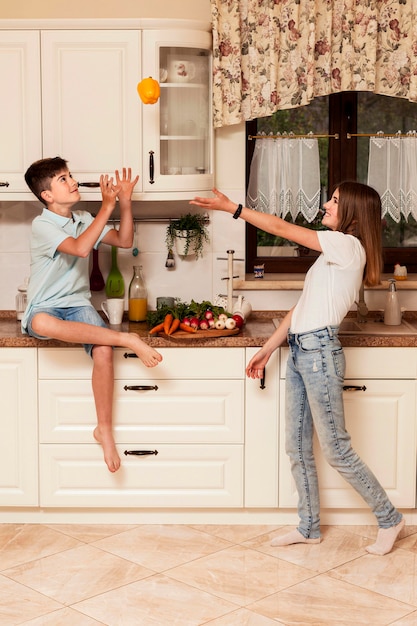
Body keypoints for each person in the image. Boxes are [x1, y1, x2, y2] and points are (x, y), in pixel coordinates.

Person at [191, 183, 404, 556]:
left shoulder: (347, 245)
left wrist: (233, 208)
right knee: (297, 446)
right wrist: (267, 349)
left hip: (320, 352)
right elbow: (301, 308)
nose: (326, 204)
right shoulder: (333, 253)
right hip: (302, 352)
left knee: (336, 449)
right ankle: (308, 527)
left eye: (335, 200)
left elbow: (283, 229)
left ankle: (390, 519)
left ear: (353, 210)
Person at [23, 157, 162, 473]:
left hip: (78, 304)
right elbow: (80, 249)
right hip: (45, 305)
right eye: (63, 179)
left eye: (70, 175)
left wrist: (124, 204)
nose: (72, 181)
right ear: (47, 195)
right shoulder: (42, 224)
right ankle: (125, 338)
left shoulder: (84, 218)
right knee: (42, 323)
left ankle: (104, 430)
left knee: (103, 351)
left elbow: (124, 242)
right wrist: (107, 208)